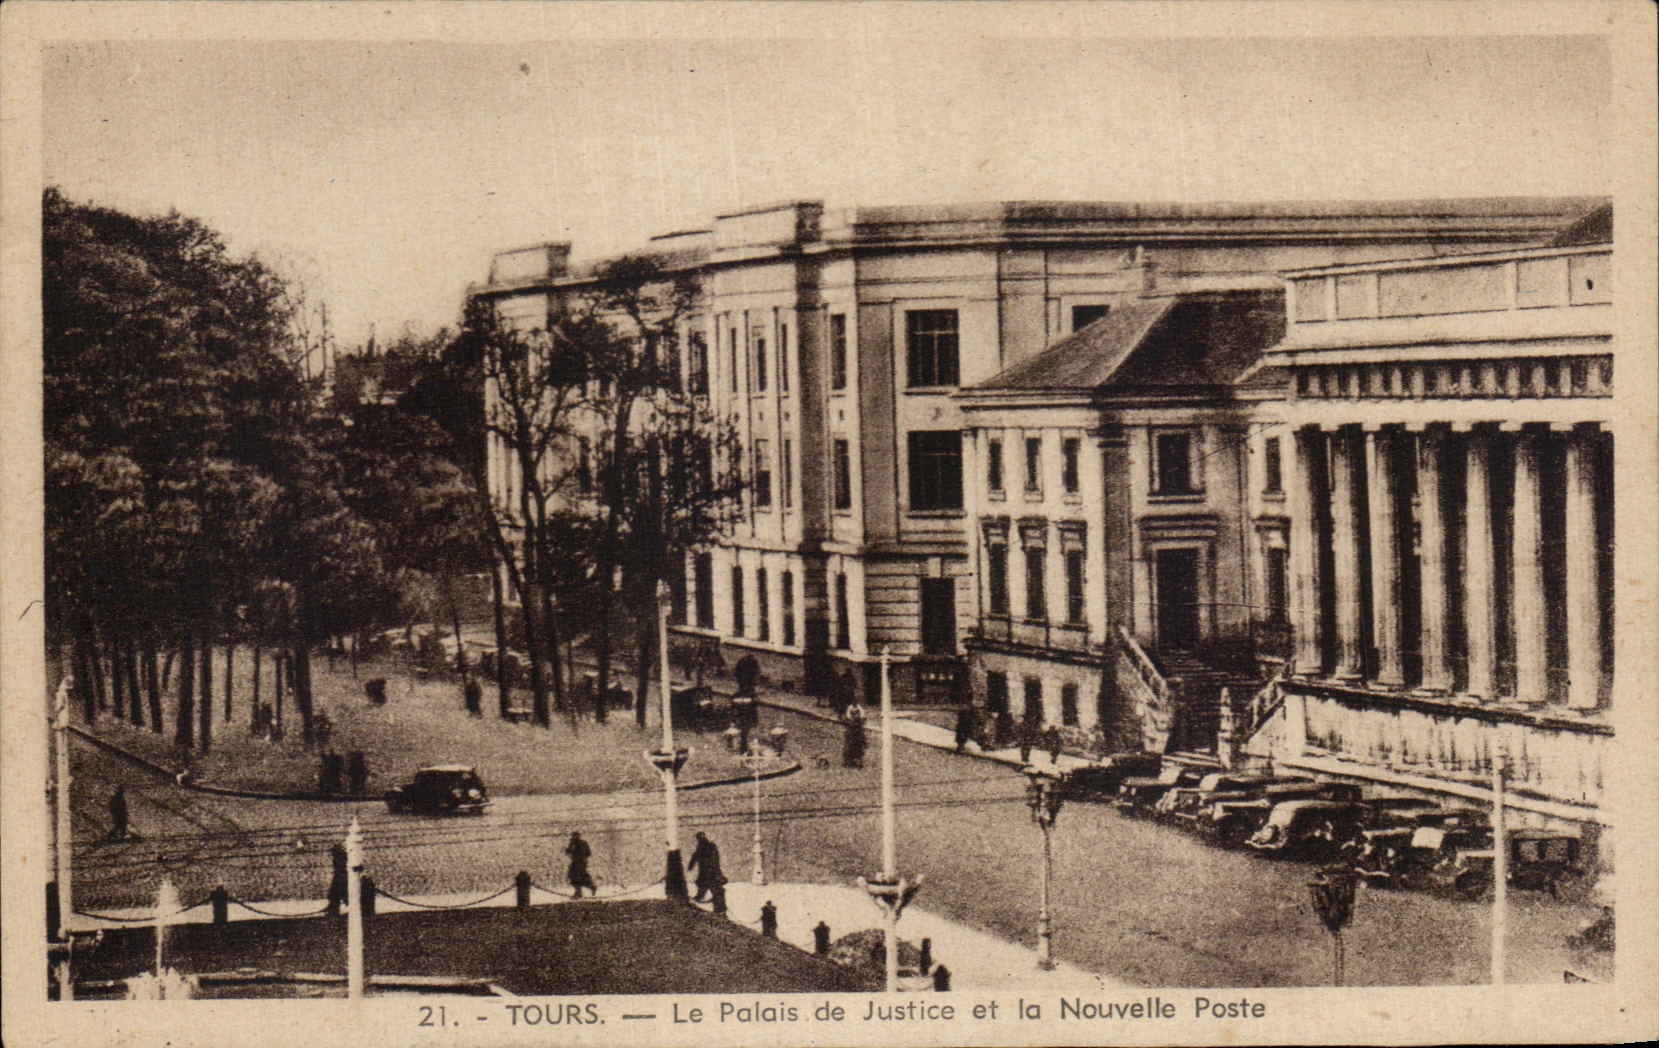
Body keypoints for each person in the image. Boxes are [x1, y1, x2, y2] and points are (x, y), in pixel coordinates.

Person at [687, 831, 726, 903]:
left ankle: (701, 897)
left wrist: (691, 865)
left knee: (706, 883)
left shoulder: (704, 845)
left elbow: (695, 856)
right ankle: (703, 896)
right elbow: (696, 856)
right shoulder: (709, 845)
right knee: (709, 883)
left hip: (707, 869)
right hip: (709, 869)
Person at [565, 831, 597, 898]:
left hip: (580, 863)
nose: (574, 838)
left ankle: (587, 888)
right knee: (574, 877)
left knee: (579, 876)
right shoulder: (573, 843)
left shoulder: (581, 843)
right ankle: (581, 891)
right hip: (576, 862)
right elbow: (568, 851)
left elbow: (588, 853)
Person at [326, 842, 349, 917]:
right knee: (334, 896)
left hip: (341, 879)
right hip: (340, 878)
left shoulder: (340, 859)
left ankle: (333, 911)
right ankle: (333, 910)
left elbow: (341, 869)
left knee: (336, 895)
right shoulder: (341, 858)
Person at [842, 703, 867, 768]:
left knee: (858, 746)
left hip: (858, 732)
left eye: (856, 713)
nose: (855, 715)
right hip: (851, 732)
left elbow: (863, 718)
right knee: (849, 746)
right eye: (853, 713)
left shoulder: (860, 718)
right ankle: (849, 761)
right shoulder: (849, 716)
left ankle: (857, 761)